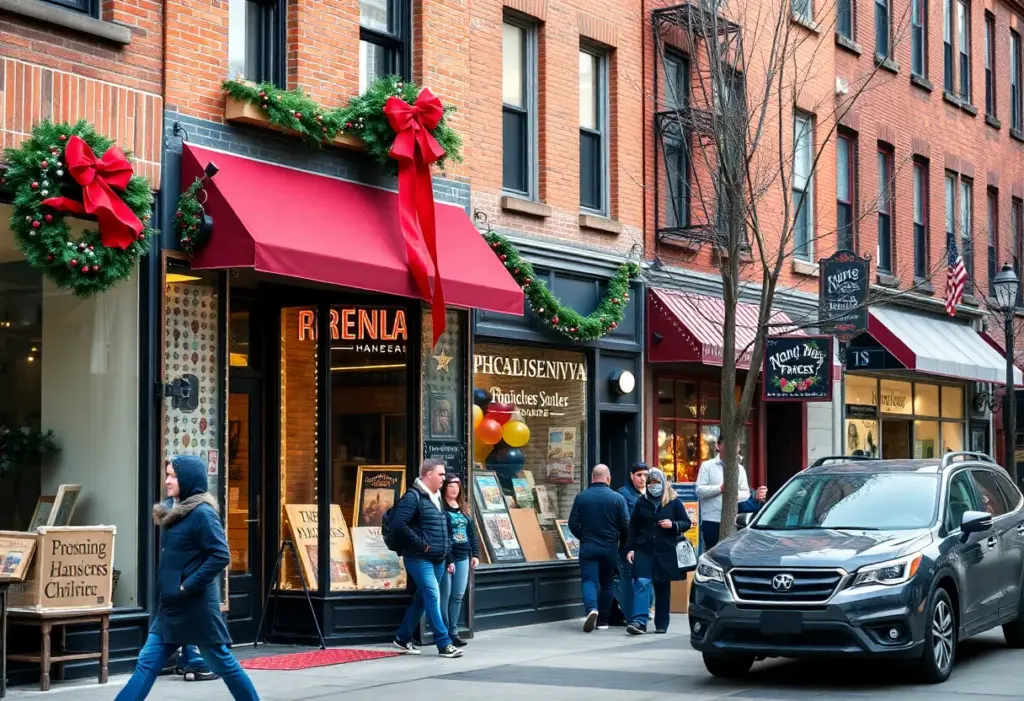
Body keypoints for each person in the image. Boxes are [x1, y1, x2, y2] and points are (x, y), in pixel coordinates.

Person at [115, 455, 259, 700]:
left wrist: (187, 585)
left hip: (197, 608)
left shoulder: (202, 513)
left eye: (173, 475)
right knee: (147, 664)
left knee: (223, 664)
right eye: (167, 474)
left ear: (188, 479)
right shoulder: (173, 511)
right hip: (170, 607)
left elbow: (220, 554)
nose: (167, 480)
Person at [392, 459, 462, 658]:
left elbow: (442, 529)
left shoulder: (436, 496)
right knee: (432, 595)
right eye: (440, 474)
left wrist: (448, 556)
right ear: (428, 474)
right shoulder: (412, 497)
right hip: (418, 558)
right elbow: (399, 524)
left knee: (423, 599)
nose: (444, 478)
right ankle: (444, 642)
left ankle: (402, 638)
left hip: (438, 558)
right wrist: (421, 543)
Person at [625, 467, 691, 635]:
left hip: (665, 550)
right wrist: (630, 549)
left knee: (662, 587)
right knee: (641, 582)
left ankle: (661, 623)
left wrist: (673, 525)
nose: (653, 486)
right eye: (650, 483)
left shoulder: (673, 501)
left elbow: (686, 522)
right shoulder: (642, 502)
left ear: (663, 483)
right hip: (644, 549)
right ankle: (639, 621)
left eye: (656, 482)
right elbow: (633, 527)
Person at [569, 464, 630, 633]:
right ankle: (603, 621)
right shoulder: (618, 499)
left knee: (589, 580)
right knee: (607, 583)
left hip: (588, 546)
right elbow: (625, 525)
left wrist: (584, 536)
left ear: (592, 478)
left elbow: (572, 524)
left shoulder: (582, 497)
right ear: (608, 478)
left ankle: (591, 609)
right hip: (610, 547)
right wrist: (622, 546)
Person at [439, 473, 480, 648]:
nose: (454, 488)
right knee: (445, 596)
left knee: (458, 595)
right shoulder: (440, 507)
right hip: (447, 557)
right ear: (444, 488)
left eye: (457, 485)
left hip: (464, 556)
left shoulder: (464, 507)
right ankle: (443, 632)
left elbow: (472, 533)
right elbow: (443, 535)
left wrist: (476, 554)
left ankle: (453, 632)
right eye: (450, 485)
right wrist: (449, 560)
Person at [695, 434, 750, 550]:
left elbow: (746, 493)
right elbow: (699, 490)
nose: (733, 448)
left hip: (732, 520)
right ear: (718, 446)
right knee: (712, 552)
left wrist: (732, 493)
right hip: (711, 519)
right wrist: (719, 488)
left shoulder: (740, 469)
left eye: (736, 445)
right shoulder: (707, 466)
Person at [614, 462, 651, 625]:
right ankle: (632, 616)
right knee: (629, 581)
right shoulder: (623, 494)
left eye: (645, 475)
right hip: (629, 544)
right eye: (639, 475)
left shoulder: (653, 493)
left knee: (647, 581)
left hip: (649, 544)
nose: (642, 479)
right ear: (631, 476)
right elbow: (624, 522)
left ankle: (643, 610)